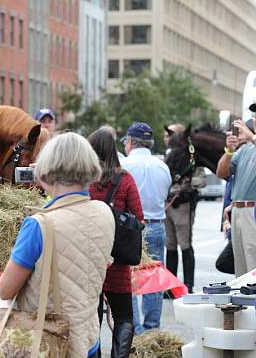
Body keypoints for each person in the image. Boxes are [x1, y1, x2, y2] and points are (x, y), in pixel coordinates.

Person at [0, 132, 115, 358]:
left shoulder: (39, 225)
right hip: (88, 336)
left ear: (46, 170)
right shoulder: (104, 213)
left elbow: (6, 289)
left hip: (49, 342)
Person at [88, 128, 143, 358]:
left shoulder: (84, 179)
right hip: (118, 259)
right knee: (124, 316)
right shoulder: (125, 179)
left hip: (89, 258)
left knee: (92, 317)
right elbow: (139, 219)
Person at [120, 122, 171, 334]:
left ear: (130, 142)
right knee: (154, 280)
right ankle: (152, 330)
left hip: (131, 226)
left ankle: (135, 329)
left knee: (128, 278)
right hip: (157, 225)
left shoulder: (125, 165)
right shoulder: (163, 166)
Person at [163, 124, 205, 294]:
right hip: (167, 206)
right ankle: (171, 287)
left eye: (170, 134)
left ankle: (188, 285)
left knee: (185, 244)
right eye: (166, 135)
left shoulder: (191, 156)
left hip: (183, 205)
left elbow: (201, 180)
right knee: (170, 245)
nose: (166, 138)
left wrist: (185, 183)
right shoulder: (166, 156)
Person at [216, 112, 256, 276]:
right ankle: (245, 298)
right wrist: (229, 151)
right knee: (241, 267)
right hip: (239, 211)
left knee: (252, 261)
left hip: (252, 211)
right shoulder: (246, 149)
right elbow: (221, 172)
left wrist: (251, 136)